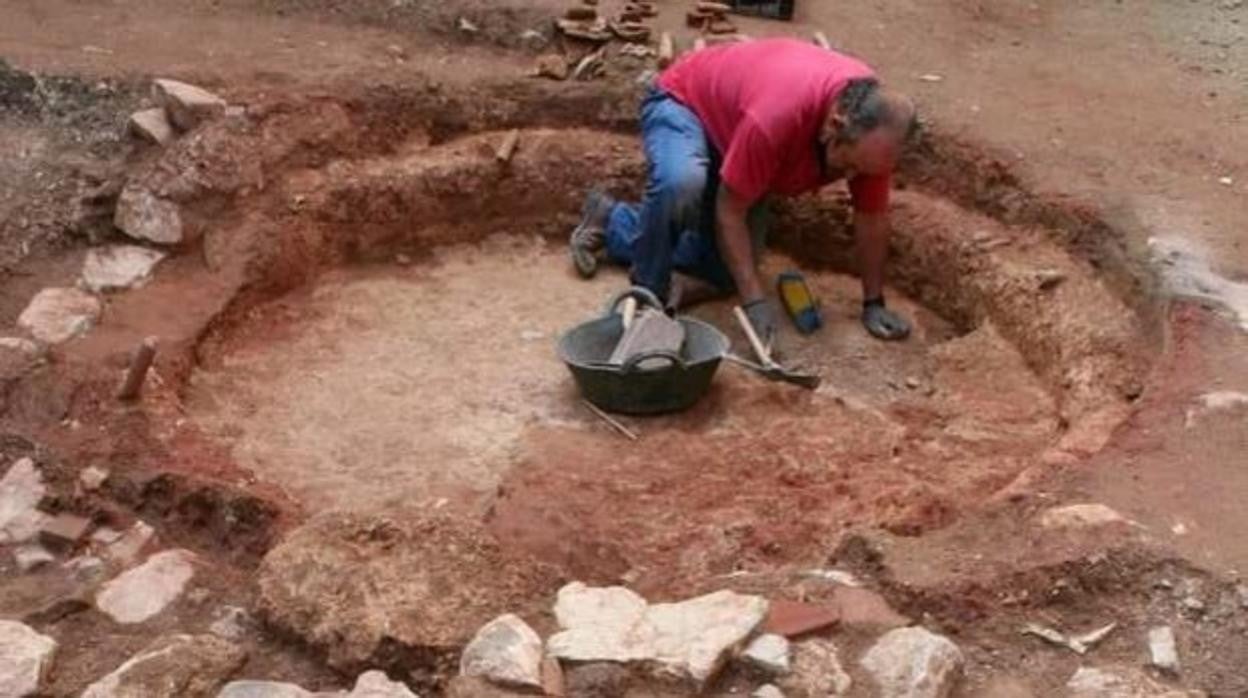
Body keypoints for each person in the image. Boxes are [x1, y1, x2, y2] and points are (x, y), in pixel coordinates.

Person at [568, 38, 917, 350]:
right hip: (686, 104)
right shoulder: (778, 115)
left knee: (725, 272)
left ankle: (611, 220)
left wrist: (874, 303)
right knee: (683, 182)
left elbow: (871, 217)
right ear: (834, 127)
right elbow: (730, 210)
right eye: (848, 166)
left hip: (739, 134)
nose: (850, 177)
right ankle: (648, 290)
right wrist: (755, 303)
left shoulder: (874, 137)